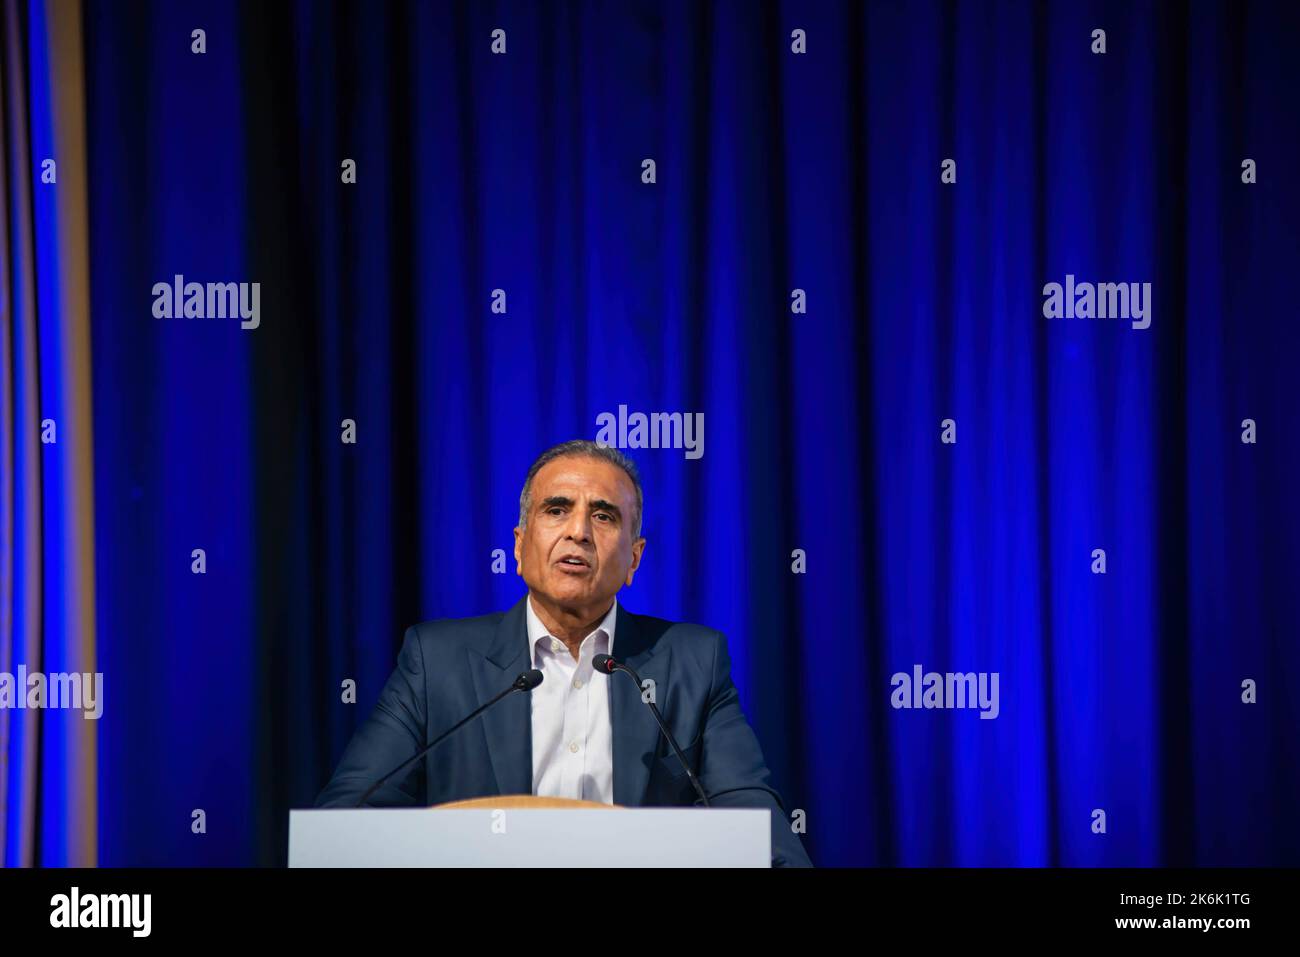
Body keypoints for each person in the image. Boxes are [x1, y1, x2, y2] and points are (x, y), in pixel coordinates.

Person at [316, 439, 812, 867]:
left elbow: (753, 825)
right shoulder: (436, 661)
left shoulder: (693, 662)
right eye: (556, 509)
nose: (578, 531)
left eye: (603, 515)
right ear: (519, 544)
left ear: (634, 558)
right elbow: (349, 818)